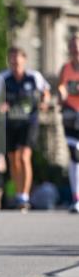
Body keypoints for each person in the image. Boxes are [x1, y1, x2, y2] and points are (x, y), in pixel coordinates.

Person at [0, 46, 50, 213]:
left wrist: (44, 102)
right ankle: (18, 193)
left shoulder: (33, 76)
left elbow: (46, 91)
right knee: (13, 160)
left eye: (17, 58)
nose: (14, 61)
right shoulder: (3, 77)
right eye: (11, 58)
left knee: (24, 157)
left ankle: (24, 197)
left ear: (24, 59)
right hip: (11, 123)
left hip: (29, 121)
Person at [58, 35, 79, 213]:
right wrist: (61, 93)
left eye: (77, 45)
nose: (75, 48)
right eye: (72, 45)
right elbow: (62, 87)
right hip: (71, 114)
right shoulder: (65, 68)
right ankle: (76, 197)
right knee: (74, 154)